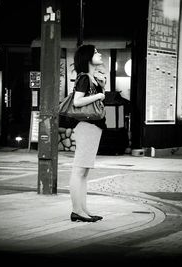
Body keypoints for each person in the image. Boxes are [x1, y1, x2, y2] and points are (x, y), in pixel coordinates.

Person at [70, 44, 106, 222]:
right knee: (79, 170)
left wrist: (101, 87)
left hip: (92, 127)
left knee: (84, 172)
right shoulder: (84, 78)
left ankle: (83, 209)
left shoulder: (92, 78)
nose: (99, 54)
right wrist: (99, 96)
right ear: (87, 57)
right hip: (86, 126)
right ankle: (77, 210)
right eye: (96, 52)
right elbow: (77, 102)